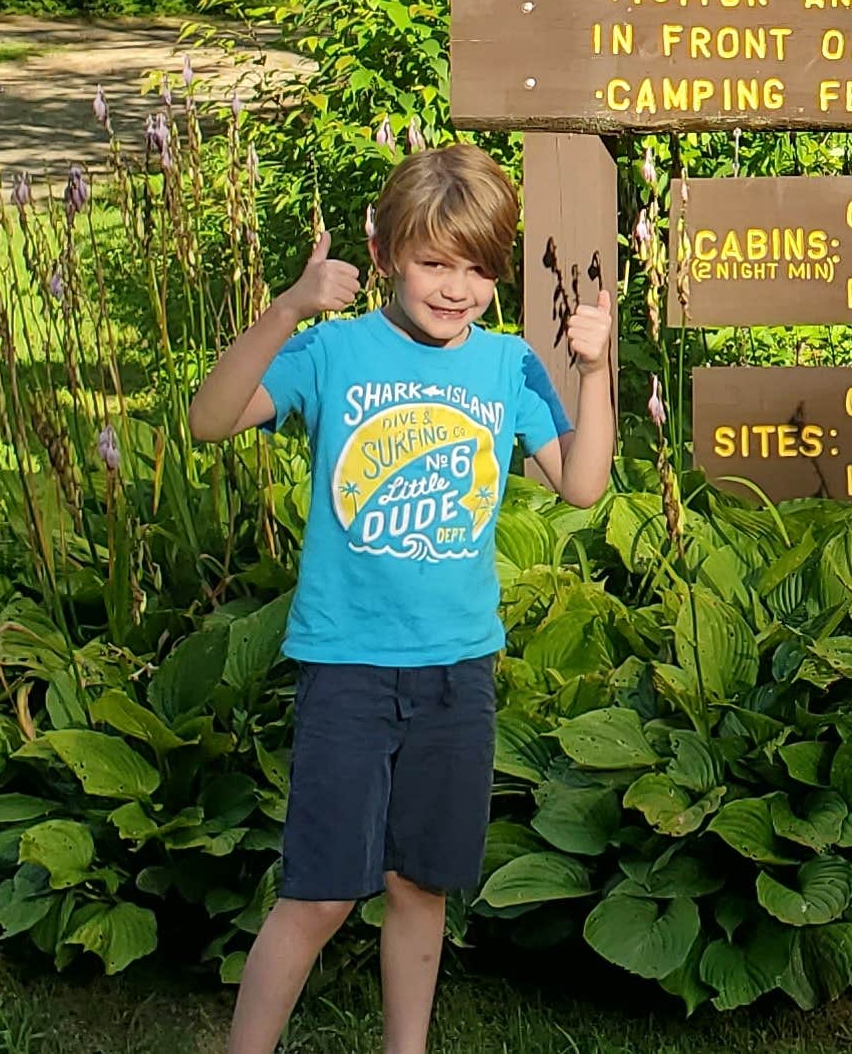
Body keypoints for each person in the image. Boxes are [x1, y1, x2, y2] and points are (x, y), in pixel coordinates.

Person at [188, 142, 614, 1054]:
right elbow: (209, 418)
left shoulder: (508, 367)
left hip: (458, 670)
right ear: (382, 253)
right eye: (432, 262)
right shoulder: (334, 352)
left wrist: (595, 370)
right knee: (322, 892)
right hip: (345, 665)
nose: (455, 287)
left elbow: (580, 486)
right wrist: (289, 306)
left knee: (423, 886)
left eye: (476, 269)